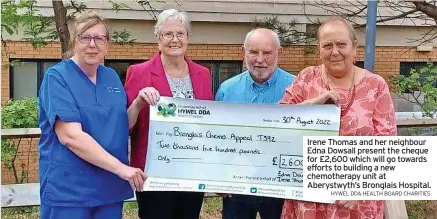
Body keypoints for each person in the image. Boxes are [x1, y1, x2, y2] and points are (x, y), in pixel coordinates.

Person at [280, 17, 397, 219]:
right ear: (319, 49)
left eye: (341, 44)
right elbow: (279, 121)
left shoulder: (376, 85)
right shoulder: (306, 78)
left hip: (356, 199)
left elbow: (386, 142)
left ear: (354, 47)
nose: (335, 52)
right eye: (327, 45)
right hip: (310, 195)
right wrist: (314, 103)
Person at [37, 11, 146, 219]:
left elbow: (121, 125)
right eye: (85, 37)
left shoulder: (111, 77)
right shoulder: (57, 77)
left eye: (99, 38)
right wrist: (122, 169)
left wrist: (138, 104)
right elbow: (70, 136)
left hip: (109, 188)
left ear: (107, 44)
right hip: (69, 190)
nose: (92, 44)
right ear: (74, 41)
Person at [124, 8, 213, 219]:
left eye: (180, 34)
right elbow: (125, 126)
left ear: (188, 38)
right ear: (158, 39)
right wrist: (138, 103)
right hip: (154, 174)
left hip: (193, 172)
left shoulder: (203, 74)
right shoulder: (139, 72)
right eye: (168, 34)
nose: (175, 39)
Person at [215, 28, 295, 219]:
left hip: (282, 188)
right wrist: (217, 177)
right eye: (253, 52)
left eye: (267, 52)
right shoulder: (227, 90)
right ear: (243, 52)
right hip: (237, 187)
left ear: (280, 54)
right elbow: (216, 138)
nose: (260, 59)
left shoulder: (297, 87)